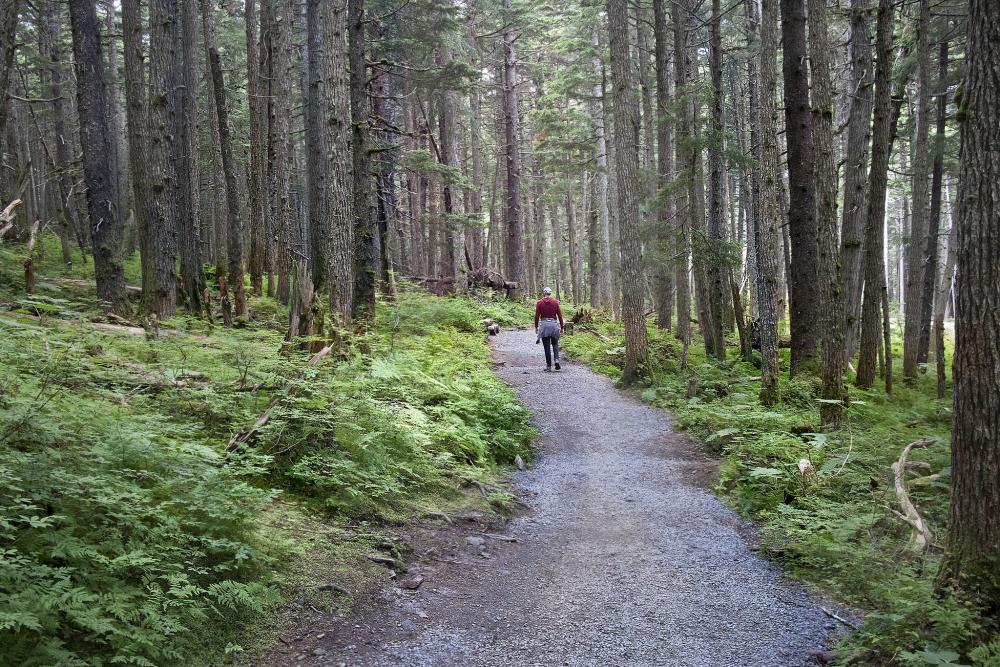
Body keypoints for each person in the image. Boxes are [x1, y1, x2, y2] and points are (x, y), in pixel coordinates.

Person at [534, 287, 564, 371]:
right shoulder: (555, 302)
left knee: (546, 346)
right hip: (554, 325)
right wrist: (562, 327)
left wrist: (536, 327)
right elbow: (560, 316)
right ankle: (557, 360)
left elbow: (537, 316)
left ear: (544, 293)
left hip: (544, 325)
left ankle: (549, 366)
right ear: (550, 293)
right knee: (555, 344)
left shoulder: (539, 303)